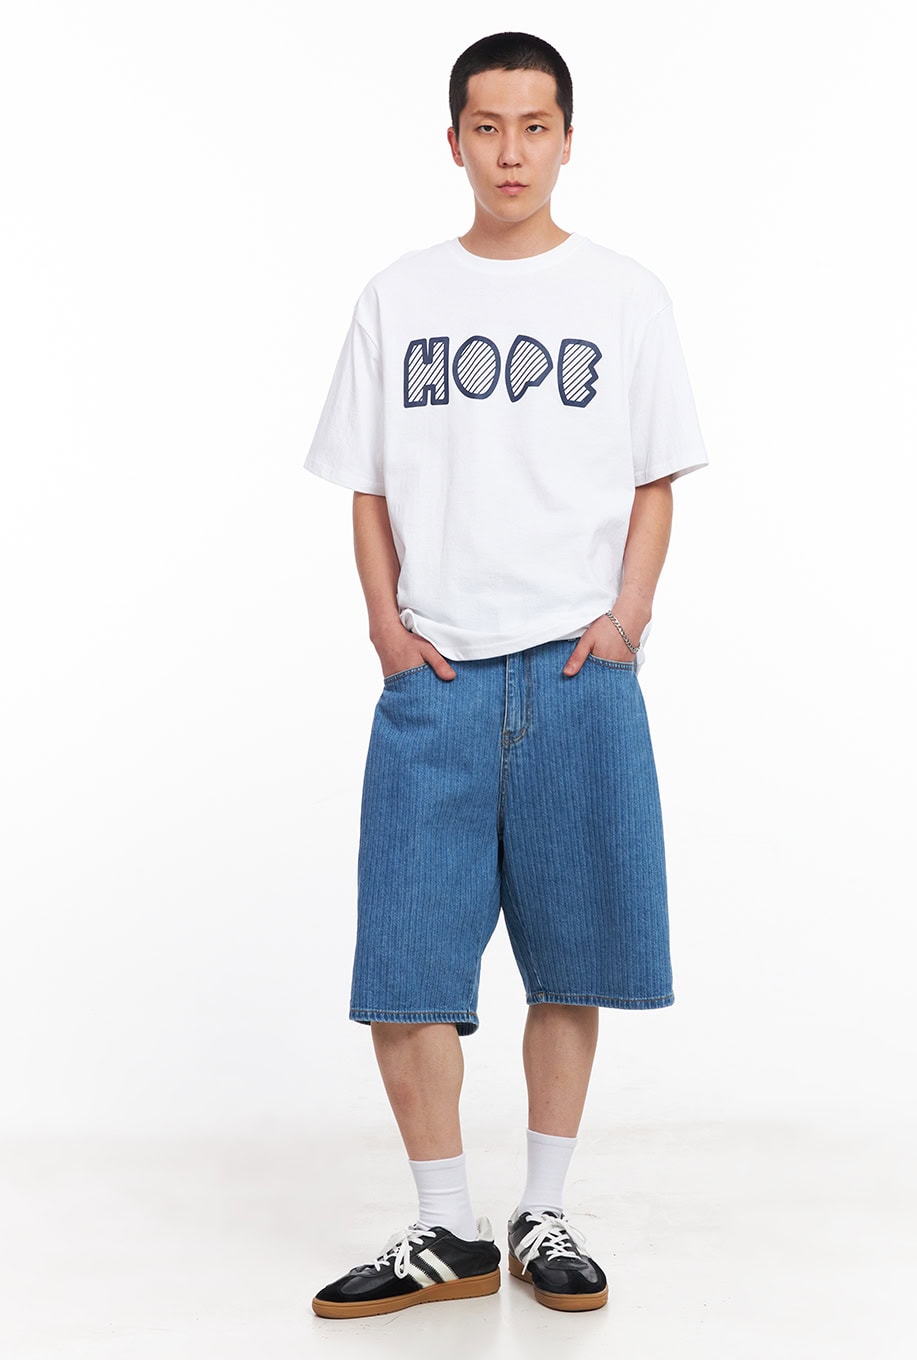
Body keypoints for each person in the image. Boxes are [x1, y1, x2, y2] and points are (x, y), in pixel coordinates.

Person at [302, 31, 709, 1319]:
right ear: (454, 141)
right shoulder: (399, 297)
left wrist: (629, 617)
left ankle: (544, 1211)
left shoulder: (625, 296)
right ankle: (445, 1229)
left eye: (535, 127)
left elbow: (654, 475)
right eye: (488, 127)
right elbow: (367, 485)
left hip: (578, 670)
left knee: (571, 958)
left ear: (569, 139)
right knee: (406, 962)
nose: (511, 152)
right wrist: (386, 630)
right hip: (436, 675)